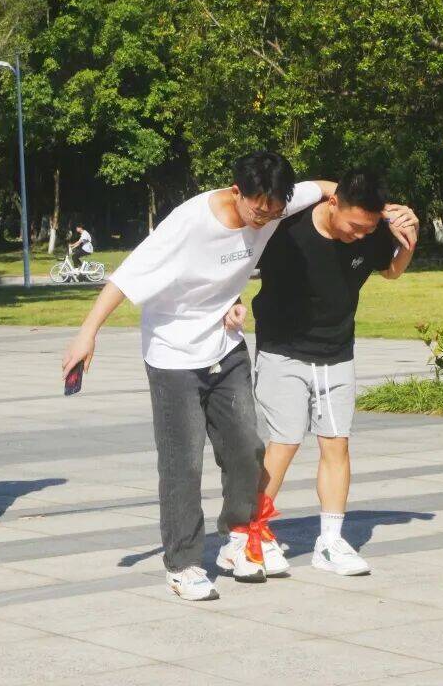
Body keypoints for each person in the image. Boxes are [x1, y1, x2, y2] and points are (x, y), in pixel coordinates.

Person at [63, 151, 335, 601]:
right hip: (173, 354)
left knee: (246, 447)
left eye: (274, 210)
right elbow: (126, 277)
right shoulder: (189, 222)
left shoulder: (276, 202)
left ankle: (238, 539)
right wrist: (86, 334)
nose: (265, 217)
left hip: (225, 346)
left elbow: (324, 188)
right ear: (237, 192)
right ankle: (183, 563)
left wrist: (381, 209)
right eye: (258, 209)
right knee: (183, 462)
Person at [250, 167, 418, 577]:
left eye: (368, 228)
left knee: (336, 444)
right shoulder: (288, 230)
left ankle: (330, 541)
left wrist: (407, 244)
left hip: (337, 353)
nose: (360, 235)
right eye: (354, 226)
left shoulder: (372, 229)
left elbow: (391, 270)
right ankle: (252, 535)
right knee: (284, 443)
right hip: (283, 352)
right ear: (333, 203)